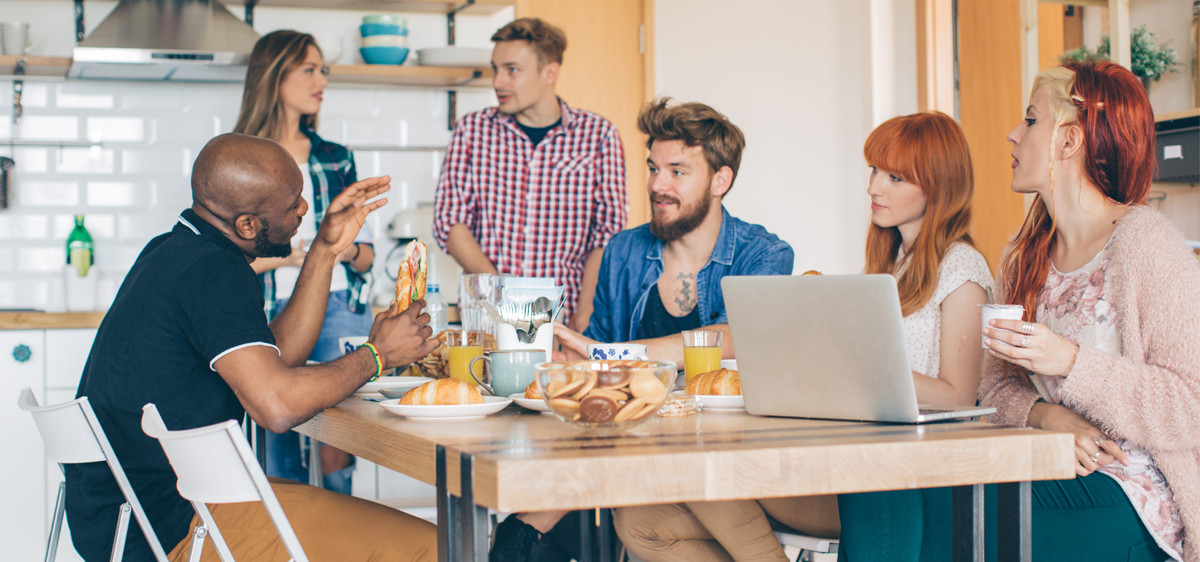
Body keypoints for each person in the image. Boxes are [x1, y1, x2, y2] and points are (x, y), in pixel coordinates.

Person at [838, 60, 1200, 561]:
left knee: (936, 511)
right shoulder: (1024, 256)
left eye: (1030, 120)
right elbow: (994, 389)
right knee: (876, 478)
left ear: (1068, 141)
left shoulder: (1147, 245)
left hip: (1130, 493)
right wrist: (1045, 414)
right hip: (1042, 463)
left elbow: (1190, 406)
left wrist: (1070, 362)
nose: (1013, 134)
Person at [613, 111, 992, 561]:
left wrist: (849, 364)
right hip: (852, 455)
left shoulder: (961, 268)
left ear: (938, 185)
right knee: (640, 523)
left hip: (898, 476)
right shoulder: (890, 264)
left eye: (894, 177)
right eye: (874, 171)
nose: (874, 187)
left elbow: (959, 398)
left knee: (700, 460)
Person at [65, 133, 441, 561]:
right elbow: (277, 406)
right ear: (247, 225)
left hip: (123, 516)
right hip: (174, 523)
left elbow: (275, 356)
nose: (305, 209)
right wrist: (378, 355)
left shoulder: (174, 250)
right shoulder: (214, 271)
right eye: (293, 203)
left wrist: (325, 248)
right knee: (433, 548)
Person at [486, 98, 794, 562]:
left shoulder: (764, 254)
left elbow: (737, 337)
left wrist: (613, 356)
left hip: (729, 454)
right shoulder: (625, 250)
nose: (656, 185)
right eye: (653, 169)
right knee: (629, 516)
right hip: (638, 448)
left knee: (615, 502)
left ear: (721, 180)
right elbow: (594, 352)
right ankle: (537, 523)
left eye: (677, 171)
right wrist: (557, 359)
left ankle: (536, 520)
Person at [232, 30, 371, 494]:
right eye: (309, 69)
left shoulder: (336, 158)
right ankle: (288, 524)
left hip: (340, 309)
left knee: (340, 436)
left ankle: (340, 520)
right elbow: (224, 263)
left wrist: (339, 250)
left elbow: (366, 258)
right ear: (274, 75)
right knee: (277, 427)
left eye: (323, 70)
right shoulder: (239, 161)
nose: (321, 81)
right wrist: (286, 259)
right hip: (267, 310)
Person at [432, 17, 627, 331]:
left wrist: (586, 312)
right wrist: (503, 298)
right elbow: (450, 222)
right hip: (487, 317)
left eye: (512, 70)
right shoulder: (472, 130)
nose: (498, 82)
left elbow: (606, 234)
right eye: (495, 69)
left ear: (550, 73)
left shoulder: (599, 135)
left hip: (565, 318)